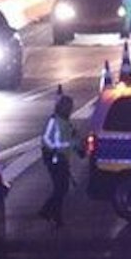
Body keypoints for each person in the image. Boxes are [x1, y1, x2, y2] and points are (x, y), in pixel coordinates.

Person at [37, 93, 77, 227]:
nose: (69, 109)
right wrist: (55, 149)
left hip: (62, 158)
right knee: (60, 188)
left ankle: (48, 212)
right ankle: (53, 215)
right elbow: (46, 138)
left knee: (62, 188)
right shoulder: (54, 120)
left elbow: (71, 140)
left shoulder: (67, 123)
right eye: (67, 107)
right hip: (54, 158)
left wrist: (78, 148)